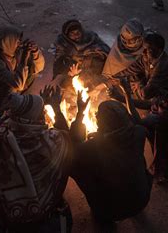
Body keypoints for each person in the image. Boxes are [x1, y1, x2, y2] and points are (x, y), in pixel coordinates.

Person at [53, 89, 152, 222]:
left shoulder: (92, 148)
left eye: (98, 115)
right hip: (142, 199)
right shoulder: (139, 133)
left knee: (71, 163)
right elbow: (119, 139)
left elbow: (71, 145)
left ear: (105, 123)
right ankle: (131, 197)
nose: (95, 114)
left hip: (111, 211)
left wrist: (72, 112)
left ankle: (104, 216)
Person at [0, 93, 73, 233]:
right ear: (32, 118)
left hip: (7, 205)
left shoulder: (0, 130)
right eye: (42, 111)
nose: (44, 113)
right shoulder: (46, 143)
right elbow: (67, 139)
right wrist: (56, 108)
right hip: (37, 209)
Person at [0, 28, 45, 115]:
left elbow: (39, 67)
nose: (20, 44)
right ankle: (10, 110)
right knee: (13, 86)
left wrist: (35, 51)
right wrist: (23, 59)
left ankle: (20, 100)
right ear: (9, 43)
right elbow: (18, 85)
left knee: (31, 71)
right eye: (17, 42)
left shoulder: (13, 54)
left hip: (14, 90)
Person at [114, 32, 168, 101]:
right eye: (143, 48)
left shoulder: (162, 66)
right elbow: (133, 68)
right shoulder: (149, 56)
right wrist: (114, 75)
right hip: (152, 84)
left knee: (146, 98)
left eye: (148, 50)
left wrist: (139, 84)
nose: (143, 52)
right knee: (132, 76)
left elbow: (145, 95)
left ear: (159, 50)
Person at [52, 20, 110, 89]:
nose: (76, 36)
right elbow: (58, 62)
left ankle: (94, 81)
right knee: (67, 84)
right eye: (72, 34)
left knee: (95, 78)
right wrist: (68, 71)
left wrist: (90, 55)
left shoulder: (90, 37)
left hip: (92, 66)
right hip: (76, 68)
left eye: (78, 32)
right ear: (67, 35)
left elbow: (105, 50)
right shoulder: (63, 43)